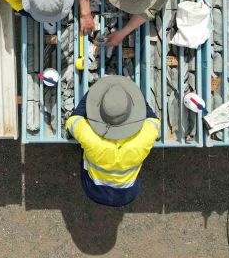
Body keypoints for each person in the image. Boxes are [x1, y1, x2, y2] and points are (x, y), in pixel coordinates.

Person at [65, 75, 160, 207]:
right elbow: (153, 120)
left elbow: (73, 120)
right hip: (127, 193)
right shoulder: (144, 138)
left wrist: (93, 92)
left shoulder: (91, 138)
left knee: (84, 146)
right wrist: (132, 95)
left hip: (94, 190)